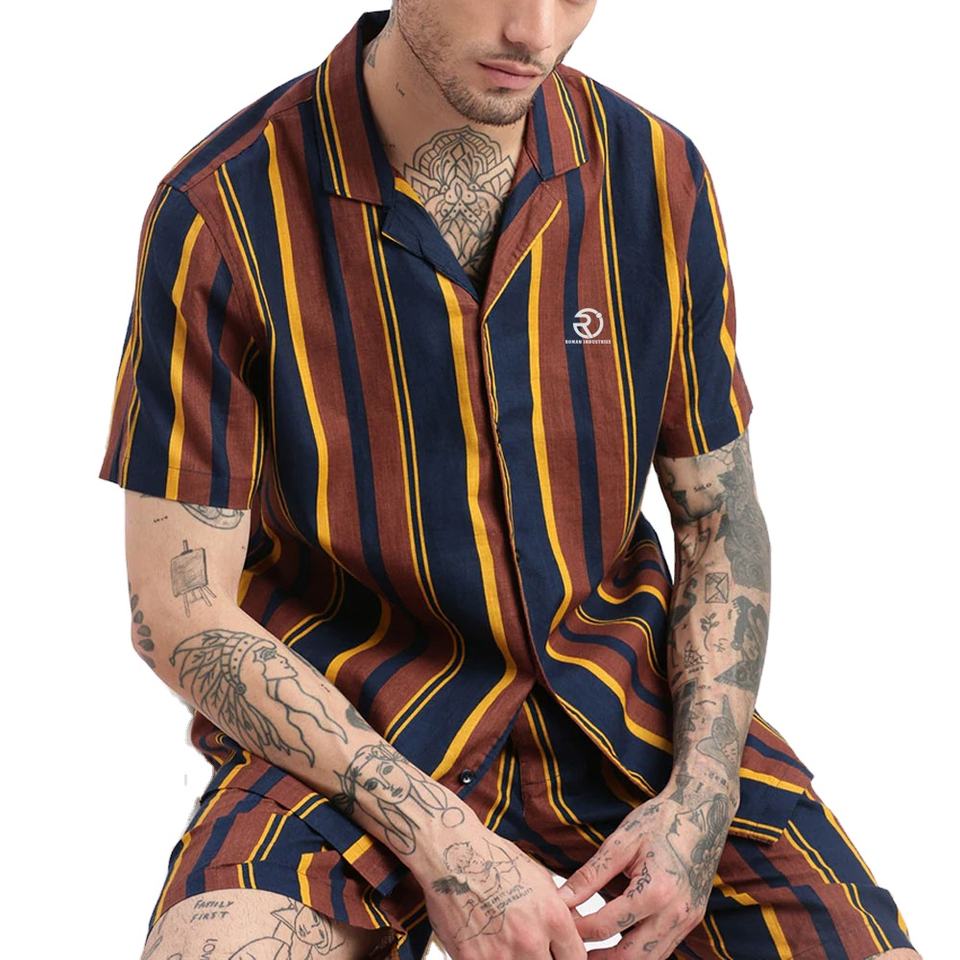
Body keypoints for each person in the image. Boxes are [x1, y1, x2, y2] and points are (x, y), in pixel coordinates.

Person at [97, 4, 922, 960]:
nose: (534, 33)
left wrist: (700, 806)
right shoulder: (222, 208)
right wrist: (443, 842)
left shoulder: (657, 174)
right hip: (342, 735)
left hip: (631, 715)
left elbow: (717, 518)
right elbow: (178, 608)